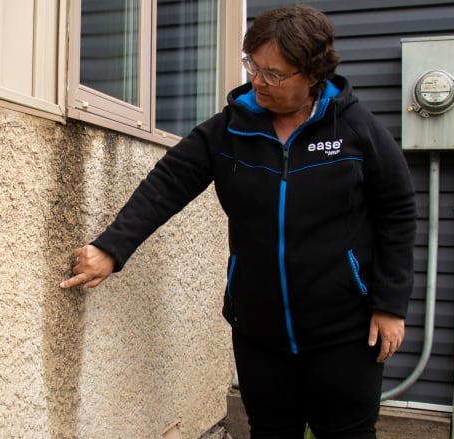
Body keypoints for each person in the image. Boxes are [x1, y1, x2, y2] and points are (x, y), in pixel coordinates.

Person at [60, 4, 416, 438]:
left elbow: (397, 211)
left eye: (275, 74)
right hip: (259, 329)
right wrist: (113, 247)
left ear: (313, 74)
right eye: (253, 66)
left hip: (345, 331)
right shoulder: (230, 130)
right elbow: (167, 184)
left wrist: (389, 304)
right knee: (269, 430)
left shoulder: (356, 131)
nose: (258, 81)